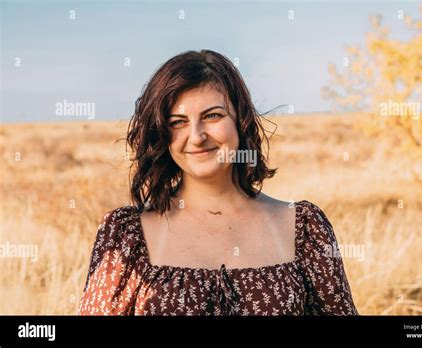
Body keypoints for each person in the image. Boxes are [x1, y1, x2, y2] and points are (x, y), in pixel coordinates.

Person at [78, 49, 358, 316]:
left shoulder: (303, 228)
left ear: (241, 120)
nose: (197, 135)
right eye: (178, 122)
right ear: (161, 133)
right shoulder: (126, 236)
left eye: (212, 116)